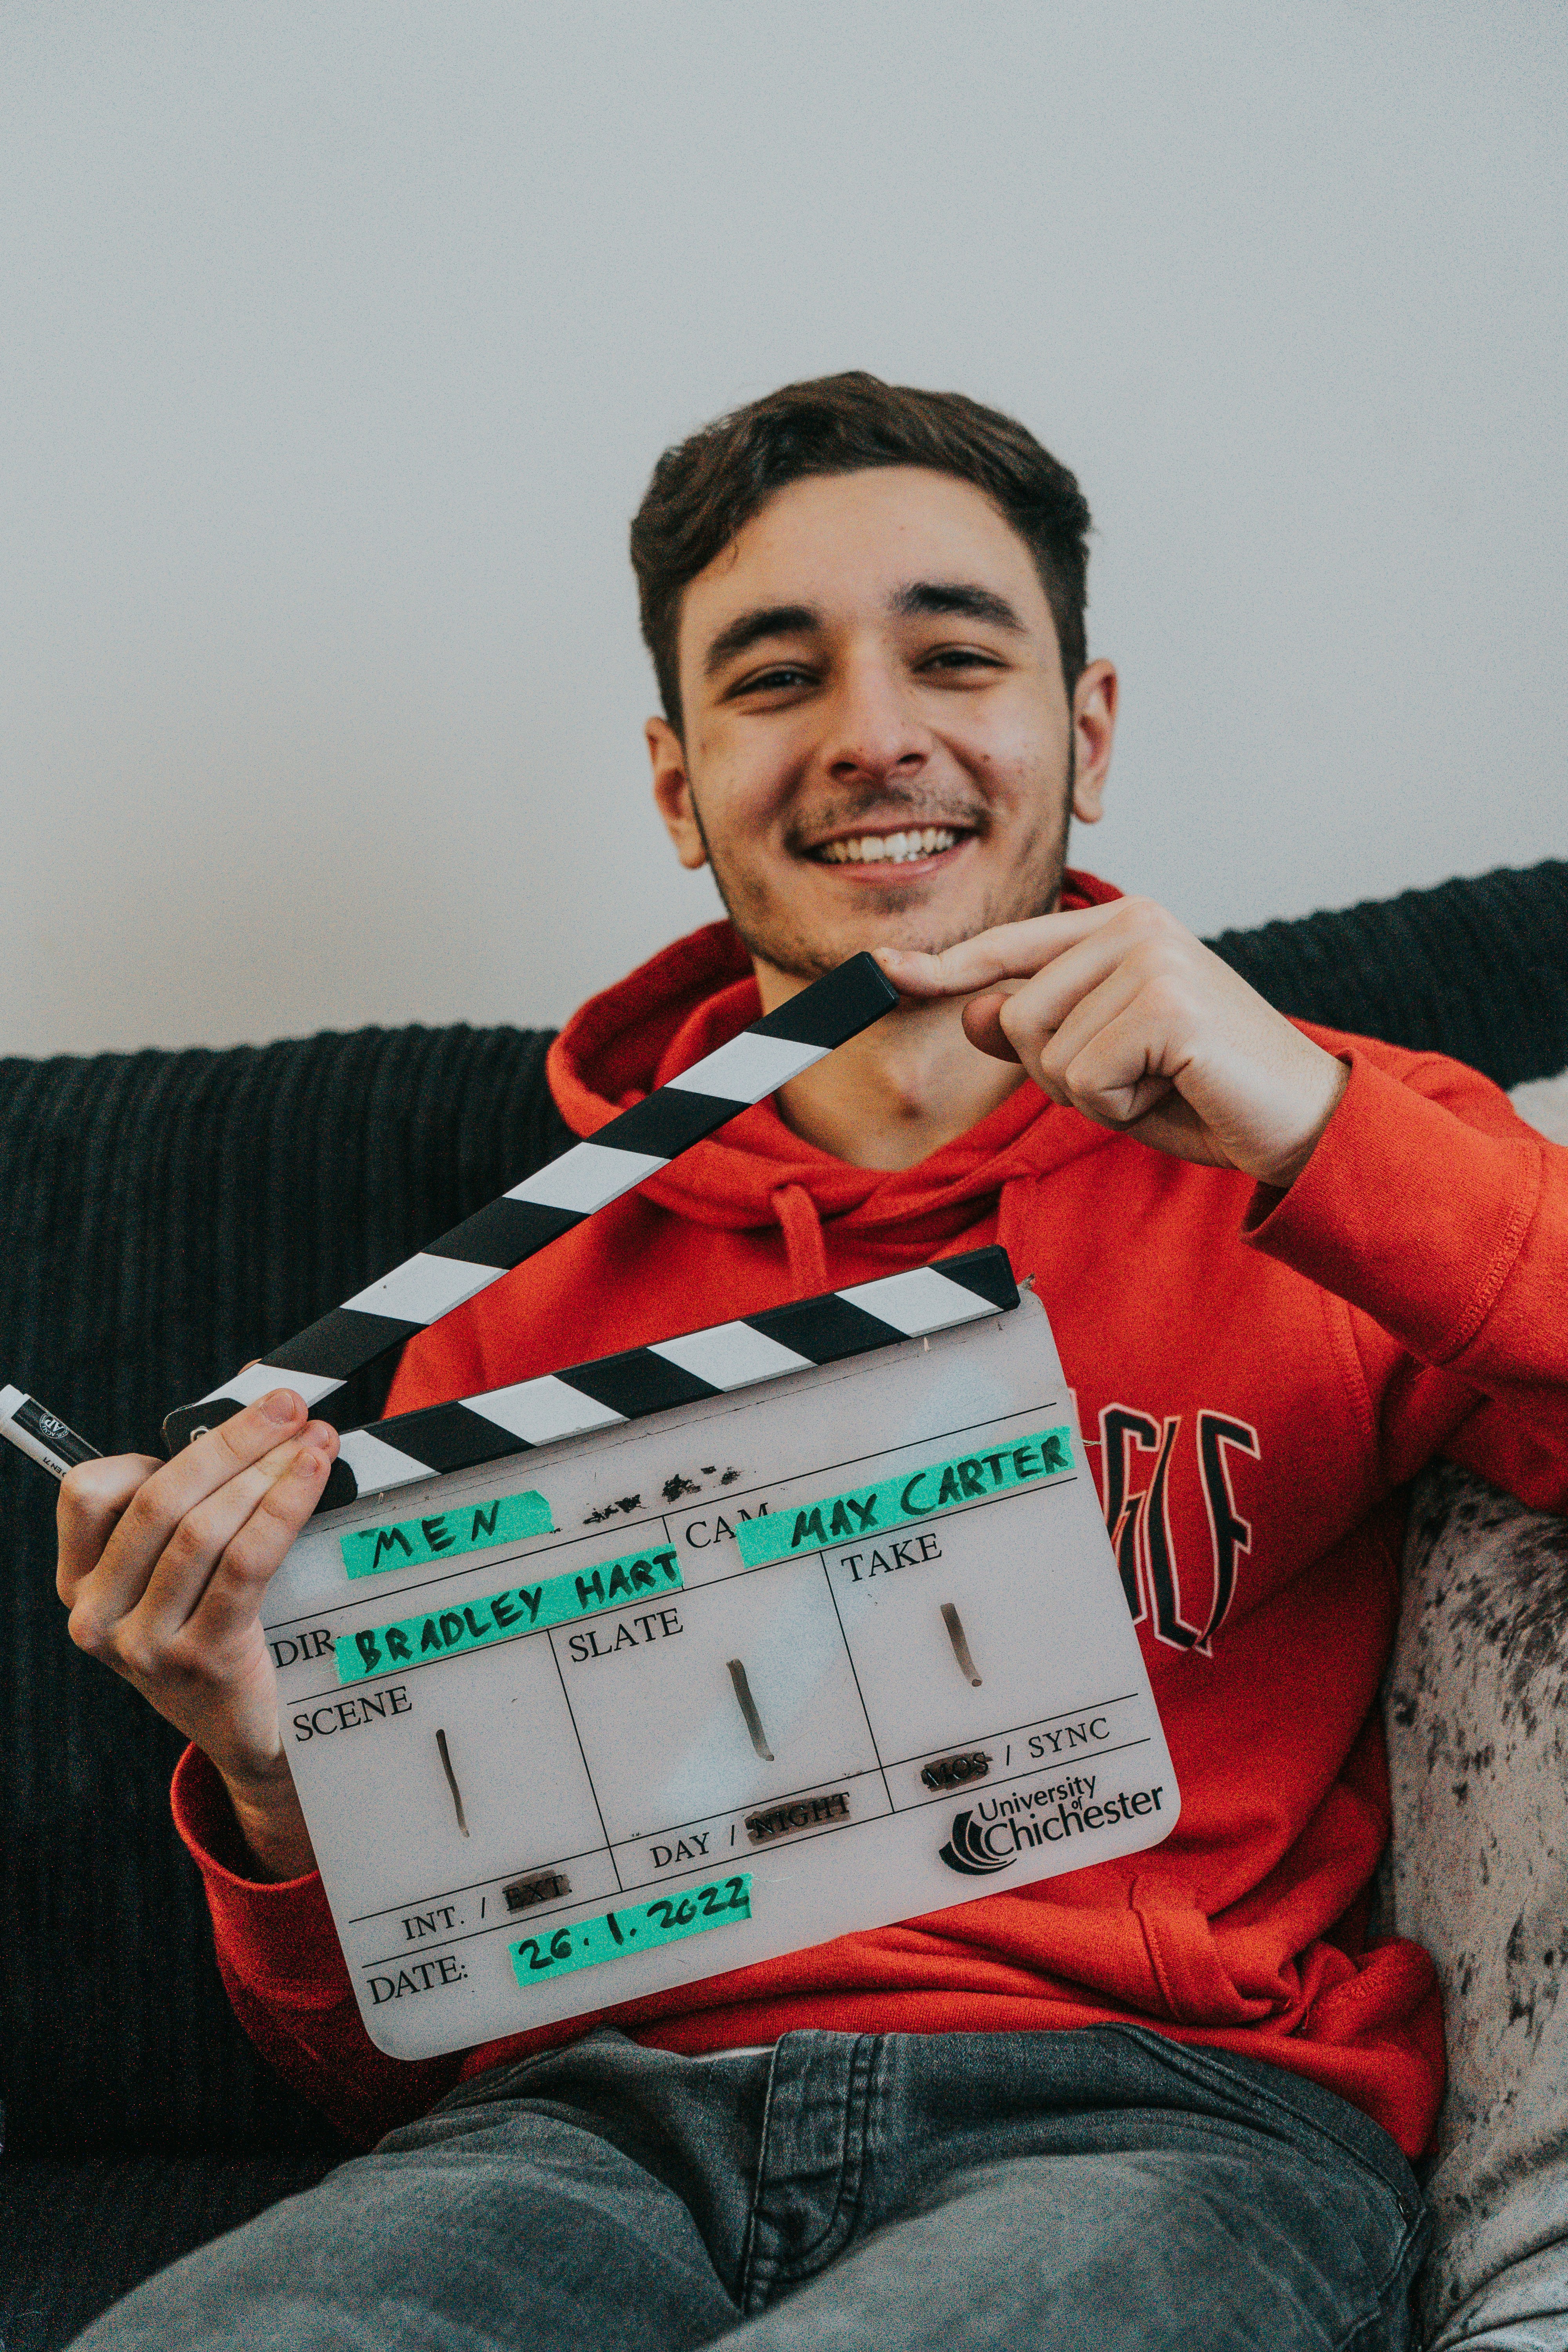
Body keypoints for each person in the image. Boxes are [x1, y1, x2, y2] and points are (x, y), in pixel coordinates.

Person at [55, 374, 1567, 2350]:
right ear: (680, 785)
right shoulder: (503, 1327)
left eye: (954, 652)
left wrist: (1307, 1132)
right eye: (777, 679)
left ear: (1084, 734)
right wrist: (270, 1772)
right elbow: (395, 2073)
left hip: (1159, 2123)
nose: (873, 735)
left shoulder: (1355, 1158)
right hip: (588, 2136)